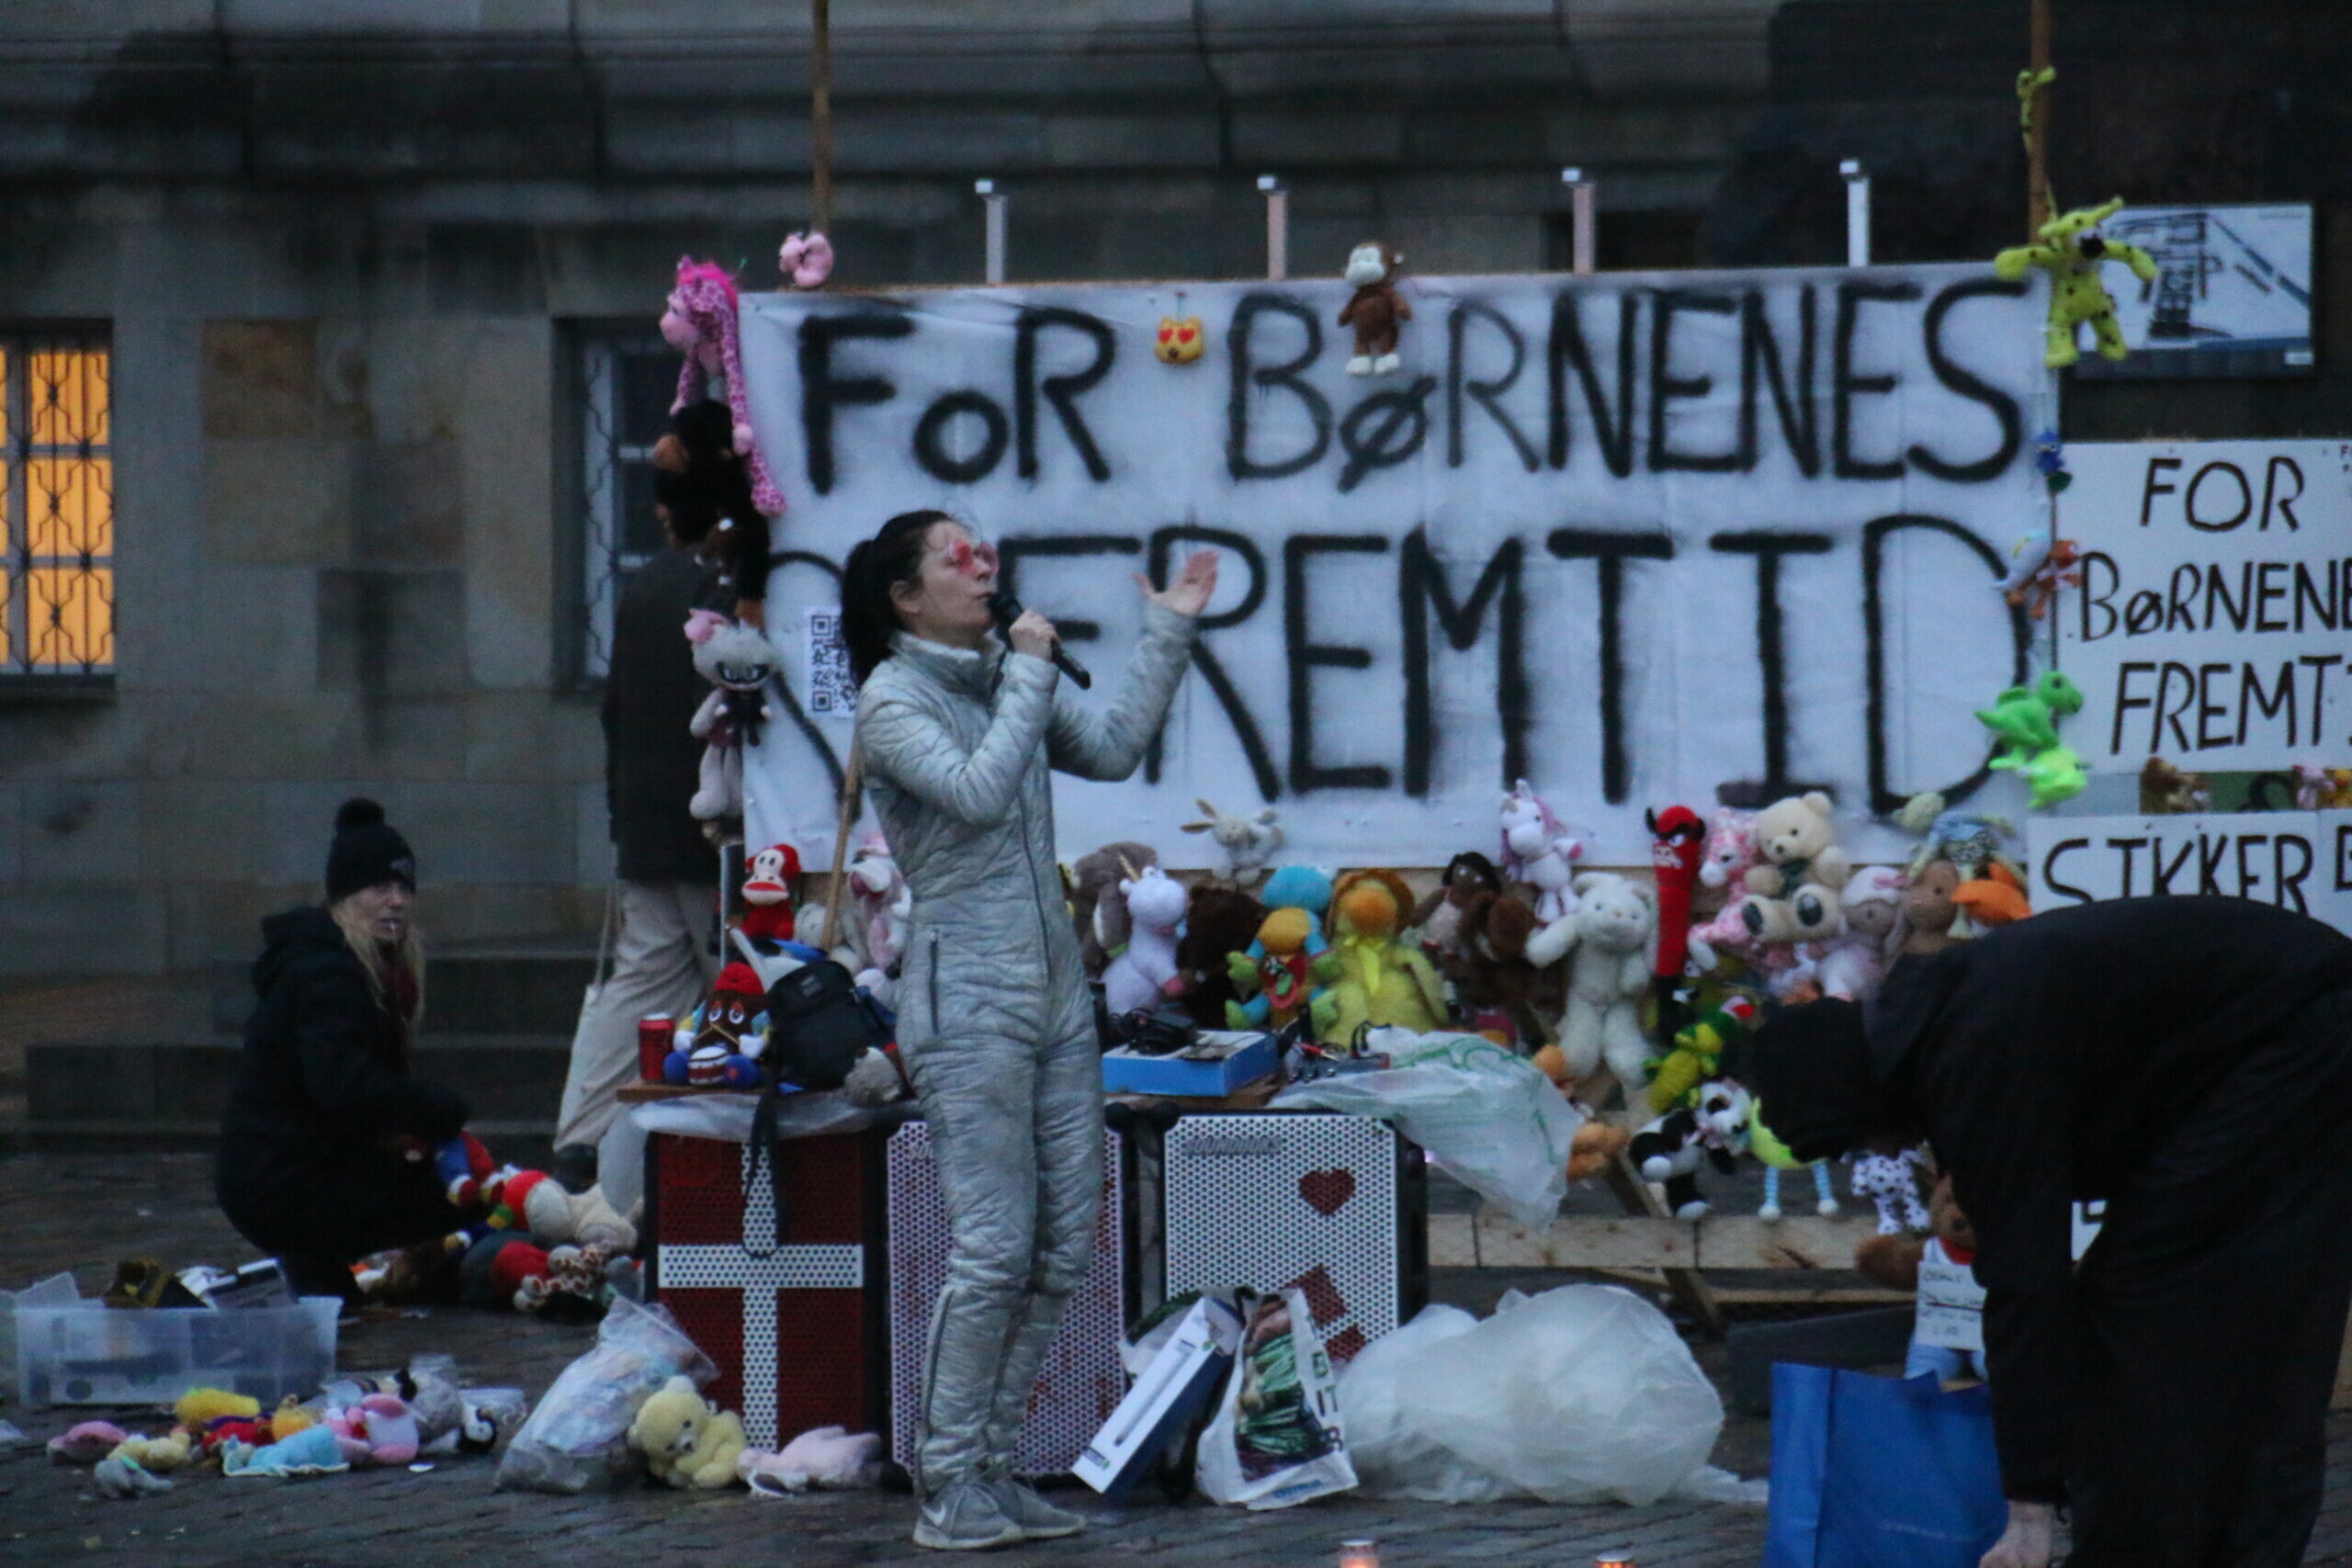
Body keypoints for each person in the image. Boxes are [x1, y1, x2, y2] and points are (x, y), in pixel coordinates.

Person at [1751, 896, 2352, 1568]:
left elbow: (2025, 1280)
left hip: (2296, 1029)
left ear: (1859, 1093)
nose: (1878, 1148)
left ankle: (2168, 1545)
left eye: (1859, 1136)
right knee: (2230, 1316)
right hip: (2282, 1022)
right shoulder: (1943, 1023)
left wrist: (2028, 1506)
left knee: (2150, 1307)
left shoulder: (1975, 1052)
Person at [843, 508, 1214, 1550]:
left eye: (982, 550)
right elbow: (975, 790)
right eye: (954, 559)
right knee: (993, 1248)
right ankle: (946, 1484)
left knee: (1063, 1244)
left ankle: (995, 1473)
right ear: (905, 597)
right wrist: (1028, 673)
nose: (983, 567)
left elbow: (1111, 744)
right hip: (969, 1000)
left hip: (1055, 990)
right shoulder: (892, 700)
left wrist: (1168, 631)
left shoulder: (1005, 675)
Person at [215, 799, 473, 1305]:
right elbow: (342, 1084)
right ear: (345, 899)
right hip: (282, 1182)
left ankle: (324, 1281)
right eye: (379, 889)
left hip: (287, 1170)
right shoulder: (327, 974)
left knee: (339, 1301)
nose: (395, 902)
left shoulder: (360, 968)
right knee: (455, 1195)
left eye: (403, 888)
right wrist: (433, 1108)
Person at [549, 500, 725, 1188]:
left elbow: (613, 709)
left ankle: (582, 1144)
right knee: (739, 993)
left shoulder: (649, 582)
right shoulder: (728, 586)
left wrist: (623, 819)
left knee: (640, 984)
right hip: (713, 835)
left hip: (650, 828)